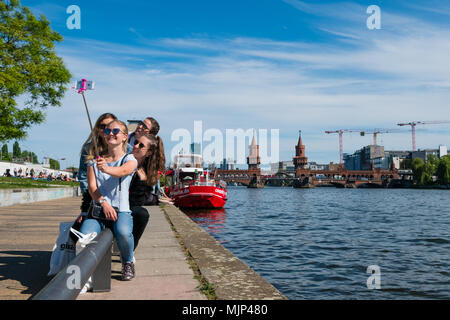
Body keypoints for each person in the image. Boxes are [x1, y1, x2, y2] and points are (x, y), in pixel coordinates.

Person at [79, 119, 138, 281]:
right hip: (98, 209)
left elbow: (123, 171)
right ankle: (89, 270)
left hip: (121, 210)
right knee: (85, 236)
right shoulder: (94, 160)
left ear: (125, 136)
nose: (110, 134)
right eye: (107, 131)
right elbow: (92, 187)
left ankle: (128, 261)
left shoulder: (130, 158)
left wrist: (107, 168)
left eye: (115, 131)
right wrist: (104, 203)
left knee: (124, 233)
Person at [76, 113, 118, 222]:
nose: (106, 129)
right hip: (95, 198)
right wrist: (86, 207)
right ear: (97, 129)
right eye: (102, 126)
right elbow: (83, 177)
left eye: (110, 126)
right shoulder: (88, 148)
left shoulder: (126, 148)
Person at [129, 133, 165, 249]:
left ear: (149, 152)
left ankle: (130, 249)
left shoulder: (144, 171)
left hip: (128, 205)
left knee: (142, 214)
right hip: (112, 203)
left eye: (141, 145)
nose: (136, 146)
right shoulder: (124, 161)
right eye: (135, 143)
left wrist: (143, 181)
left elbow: (138, 201)